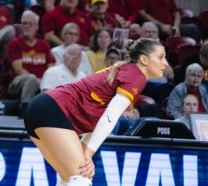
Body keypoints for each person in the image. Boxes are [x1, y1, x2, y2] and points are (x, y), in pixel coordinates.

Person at [25, 39, 166, 186]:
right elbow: (110, 116)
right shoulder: (137, 76)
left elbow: (99, 119)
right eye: (161, 57)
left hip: (42, 109)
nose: (166, 63)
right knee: (81, 178)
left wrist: (86, 150)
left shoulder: (127, 71)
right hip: (53, 109)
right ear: (144, 59)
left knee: (71, 179)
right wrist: (88, 153)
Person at [4, 10, 51, 104]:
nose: (26, 26)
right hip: (18, 82)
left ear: (37, 27)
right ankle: (25, 110)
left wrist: (46, 82)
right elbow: (18, 70)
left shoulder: (44, 45)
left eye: (30, 24)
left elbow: (51, 68)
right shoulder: (15, 43)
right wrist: (38, 82)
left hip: (41, 81)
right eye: (24, 23)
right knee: (31, 79)